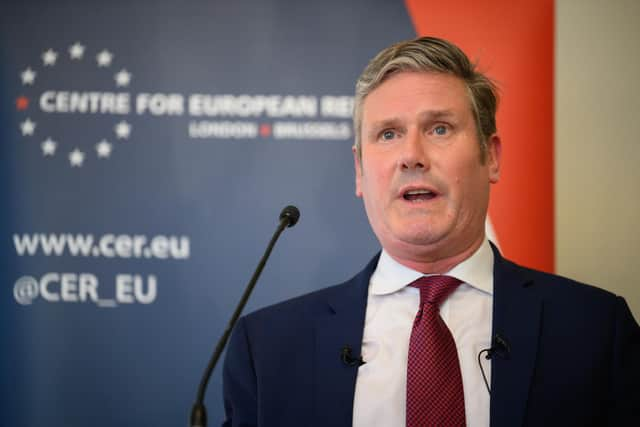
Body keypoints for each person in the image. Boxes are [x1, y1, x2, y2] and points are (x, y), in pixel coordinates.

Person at [222, 36, 639, 427]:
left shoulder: (597, 331)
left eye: (439, 128)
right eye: (388, 134)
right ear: (359, 170)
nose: (411, 156)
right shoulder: (267, 349)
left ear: (490, 157)